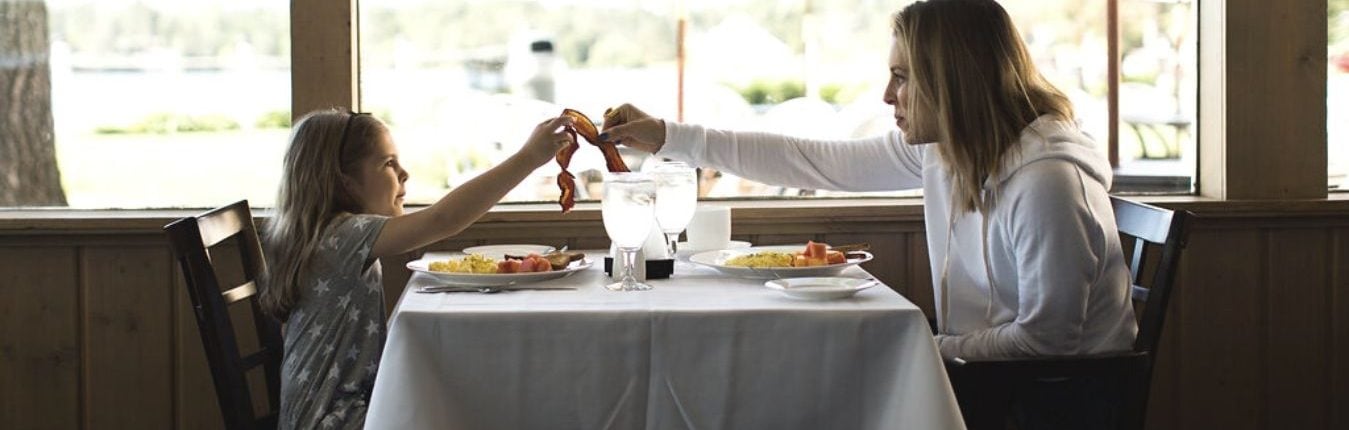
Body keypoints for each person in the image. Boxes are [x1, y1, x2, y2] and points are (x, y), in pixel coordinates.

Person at [600, 0, 1135, 427]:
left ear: (953, 81)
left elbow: (1048, 342)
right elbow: (810, 160)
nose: (887, 95)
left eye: (902, 77)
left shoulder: (1047, 182)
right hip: (984, 376)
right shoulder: (945, 149)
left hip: (1049, 397)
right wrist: (669, 137)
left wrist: (924, 345)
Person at [259, 109, 572, 429]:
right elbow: (442, 219)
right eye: (388, 164)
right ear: (345, 182)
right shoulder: (343, 235)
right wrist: (528, 158)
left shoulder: (321, 236)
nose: (404, 173)